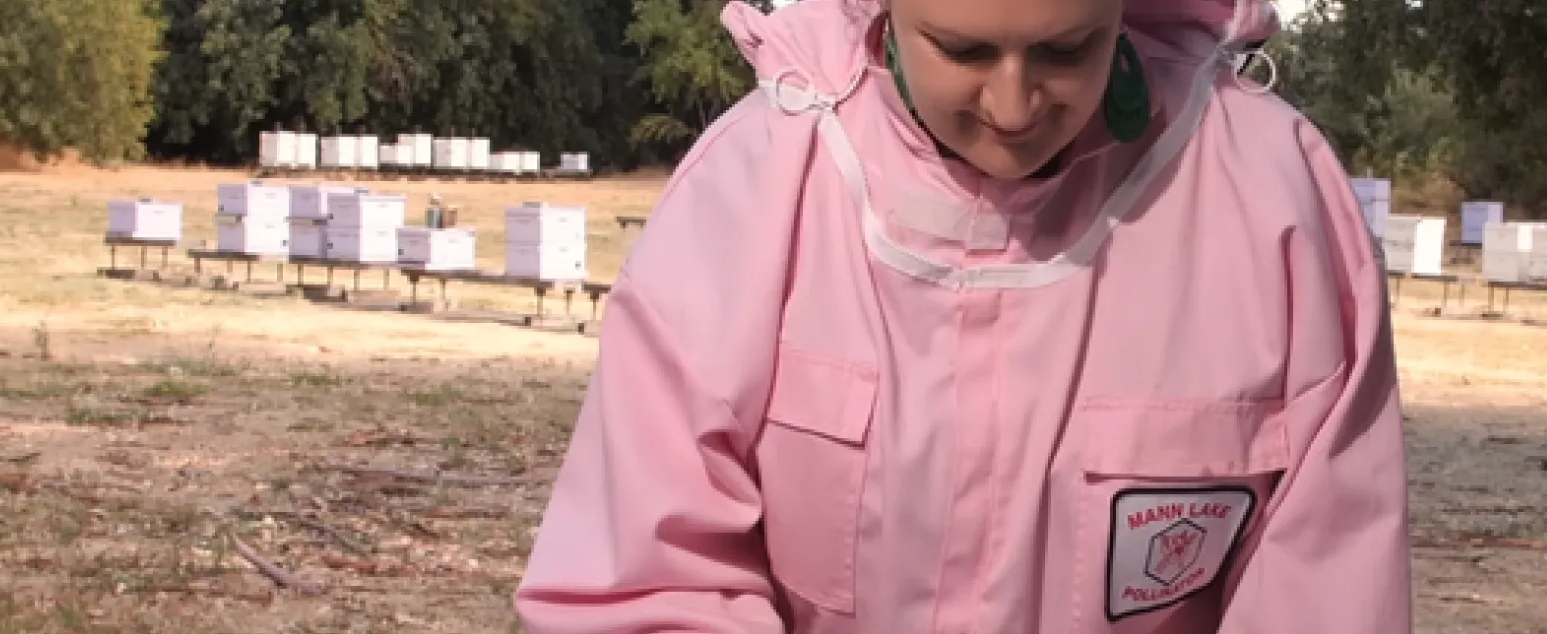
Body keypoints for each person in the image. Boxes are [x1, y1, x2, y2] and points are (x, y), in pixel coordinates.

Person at [514, 0, 1413, 631]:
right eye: (963, 50)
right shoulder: (753, 194)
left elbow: (1325, 593)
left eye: (1068, 51)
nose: (1014, 106)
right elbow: (643, 585)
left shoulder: (1273, 208)